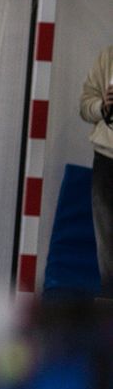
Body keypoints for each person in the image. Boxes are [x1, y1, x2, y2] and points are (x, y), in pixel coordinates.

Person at [80, 44, 113, 299]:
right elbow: (84, 106)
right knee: (108, 244)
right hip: (107, 159)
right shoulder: (107, 56)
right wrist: (103, 106)